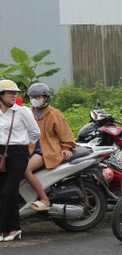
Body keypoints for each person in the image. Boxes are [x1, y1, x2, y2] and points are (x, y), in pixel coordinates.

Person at [21, 83, 76, 211]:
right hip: (29, 149)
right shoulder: (27, 113)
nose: (34, 99)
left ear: (45, 98)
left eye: (38, 96)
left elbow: (65, 133)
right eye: (32, 96)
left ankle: (44, 199)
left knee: (26, 170)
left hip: (47, 150)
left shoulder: (54, 113)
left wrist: (66, 148)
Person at [0, 80, 41, 241]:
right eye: (9, 92)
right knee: (3, 192)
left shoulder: (22, 111)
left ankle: (3, 229)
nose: (13, 95)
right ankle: (14, 228)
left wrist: (22, 144)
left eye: (15, 93)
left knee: (8, 191)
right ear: (1, 95)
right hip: (0, 154)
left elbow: (35, 133)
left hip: (18, 153)